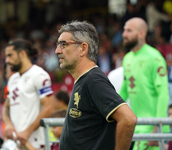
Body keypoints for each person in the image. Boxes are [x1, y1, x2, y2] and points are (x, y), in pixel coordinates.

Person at [55, 20, 137, 150]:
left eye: (63, 44)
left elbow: (128, 119)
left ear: (83, 48)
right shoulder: (85, 79)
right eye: (58, 44)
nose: (57, 50)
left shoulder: (93, 80)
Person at [119, 17, 170, 150]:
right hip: (137, 127)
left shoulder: (155, 57)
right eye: (124, 30)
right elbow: (124, 92)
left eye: (129, 31)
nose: (124, 34)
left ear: (142, 33)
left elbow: (163, 94)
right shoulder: (127, 58)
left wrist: (157, 127)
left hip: (153, 129)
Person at [2, 38, 54, 149]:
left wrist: (27, 131)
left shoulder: (39, 75)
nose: (7, 60)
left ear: (22, 54)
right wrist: (8, 124)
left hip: (34, 143)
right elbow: (6, 107)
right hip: (16, 144)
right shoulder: (12, 79)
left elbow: (49, 107)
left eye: (10, 55)